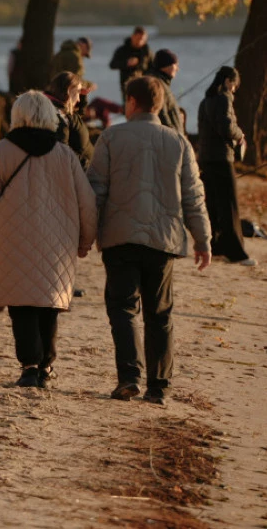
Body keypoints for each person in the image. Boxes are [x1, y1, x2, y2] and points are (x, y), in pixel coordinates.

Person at [88, 76, 211, 406]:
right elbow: (193, 197)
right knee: (160, 314)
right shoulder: (179, 142)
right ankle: (159, 386)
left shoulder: (110, 137)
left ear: (131, 102)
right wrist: (203, 240)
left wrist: (85, 234)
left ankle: (130, 376)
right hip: (163, 240)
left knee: (123, 308)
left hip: (120, 238)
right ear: (160, 105)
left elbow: (95, 191)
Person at [0, 91, 96, 389]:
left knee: (21, 302)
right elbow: (87, 203)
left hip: (9, 236)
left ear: (17, 115)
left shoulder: (1, 152)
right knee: (49, 302)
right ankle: (46, 365)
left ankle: (29, 366)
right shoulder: (65, 155)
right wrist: (86, 241)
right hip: (58, 240)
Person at [197, 66, 255, 266]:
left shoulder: (205, 101)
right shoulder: (223, 98)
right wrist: (240, 136)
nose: (234, 89)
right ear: (228, 81)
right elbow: (227, 126)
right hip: (222, 159)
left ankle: (215, 246)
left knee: (212, 205)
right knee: (230, 206)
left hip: (206, 159)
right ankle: (236, 253)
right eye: (234, 85)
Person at [45, 71, 93, 170]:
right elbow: (63, 153)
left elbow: (76, 120)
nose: (78, 99)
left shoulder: (61, 109)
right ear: (69, 90)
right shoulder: (59, 117)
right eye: (78, 92)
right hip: (80, 173)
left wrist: (83, 96)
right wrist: (88, 166)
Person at [147, 49, 185, 135]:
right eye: (176, 65)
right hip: (169, 138)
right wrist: (174, 135)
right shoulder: (158, 84)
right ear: (167, 65)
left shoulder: (162, 83)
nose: (177, 69)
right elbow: (162, 114)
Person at [109, 26, 152, 101]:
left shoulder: (147, 51)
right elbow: (112, 65)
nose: (140, 41)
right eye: (138, 39)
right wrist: (126, 63)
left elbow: (153, 67)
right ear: (133, 36)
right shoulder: (122, 50)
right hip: (127, 85)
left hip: (144, 85)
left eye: (143, 39)